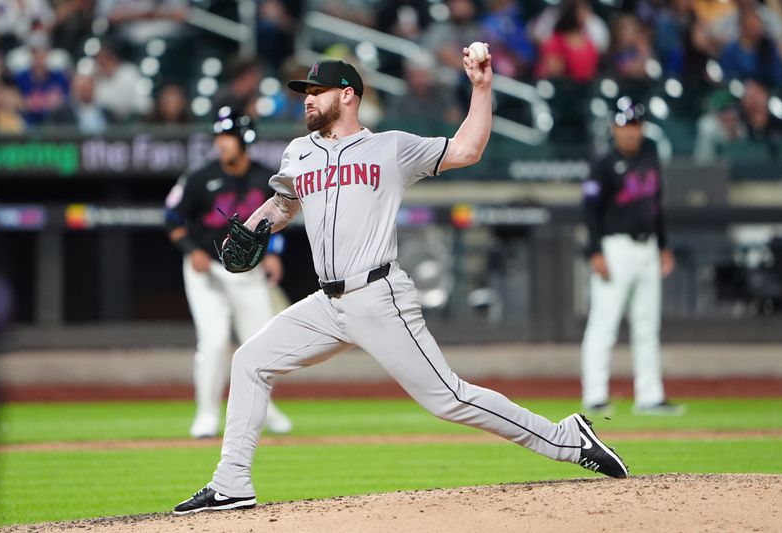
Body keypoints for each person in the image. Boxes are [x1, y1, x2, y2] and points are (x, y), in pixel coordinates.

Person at [173, 52, 629, 515]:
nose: (307, 101)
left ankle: (567, 438)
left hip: (378, 295)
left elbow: (467, 149)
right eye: (305, 93)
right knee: (250, 360)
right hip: (327, 303)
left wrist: (481, 87)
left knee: (449, 399)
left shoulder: (390, 147)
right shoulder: (298, 152)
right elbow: (284, 201)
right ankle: (231, 483)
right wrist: (255, 225)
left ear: (347, 95)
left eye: (317, 92)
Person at [164, 107, 293, 439]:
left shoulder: (265, 177)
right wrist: (190, 251)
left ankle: (263, 409)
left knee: (262, 344)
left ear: (244, 139)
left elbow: (279, 221)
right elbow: (173, 218)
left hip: (248, 273)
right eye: (219, 136)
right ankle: (206, 413)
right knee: (215, 340)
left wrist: (274, 255)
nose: (221, 143)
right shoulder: (199, 176)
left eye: (228, 136)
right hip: (207, 270)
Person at [580, 100, 684, 417]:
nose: (630, 132)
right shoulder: (603, 164)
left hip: (647, 247)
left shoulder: (650, 159)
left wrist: (663, 245)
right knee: (604, 323)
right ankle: (595, 395)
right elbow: (589, 210)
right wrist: (594, 251)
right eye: (625, 126)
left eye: (635, 126)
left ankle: (650, 396)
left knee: (647, 325)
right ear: (614, 128)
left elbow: (656, 207)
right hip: (616, 247)